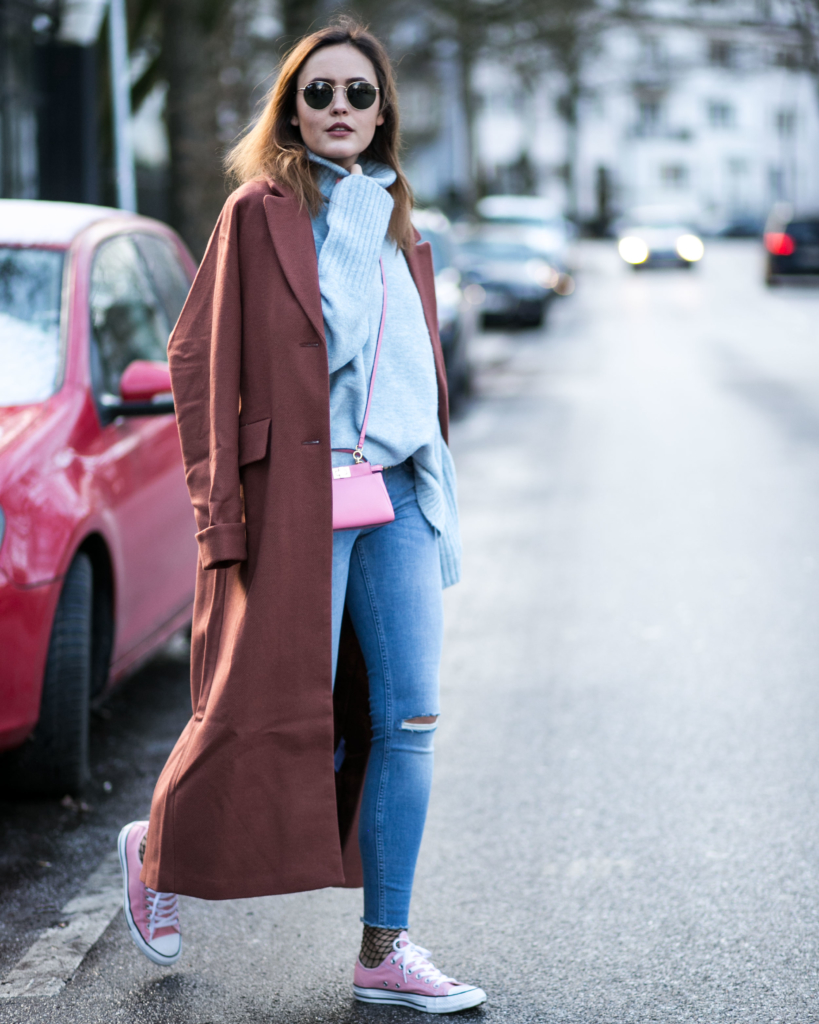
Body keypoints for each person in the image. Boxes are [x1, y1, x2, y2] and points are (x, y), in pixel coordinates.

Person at [115, 17, 486, 1015]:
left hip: (399, 492)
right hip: (296, 502)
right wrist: (217, 515)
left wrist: (437, 480)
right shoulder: (260, 214)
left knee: (408, 716)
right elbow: (201, 360)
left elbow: (410, 369)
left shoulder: (400, 220)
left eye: (358, 94)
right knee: (258, 706)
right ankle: (156, 849)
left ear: (382, 111)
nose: (339, 109)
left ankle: (385, 947)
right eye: (317, 92)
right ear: (291, 109)